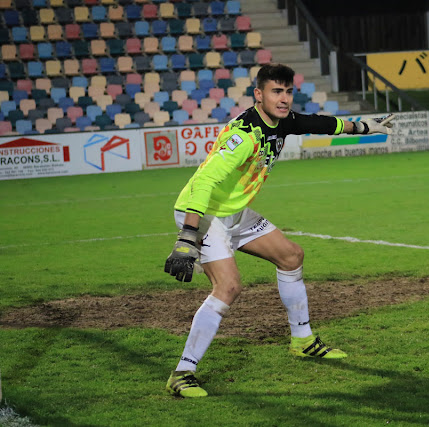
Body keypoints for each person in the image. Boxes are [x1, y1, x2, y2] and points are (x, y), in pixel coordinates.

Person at [163, 63, 395, 398]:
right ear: (259, 94)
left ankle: (303, 340)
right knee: (227, 287)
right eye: (276, 91)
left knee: (291, 256)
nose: (283, 99)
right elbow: (204, 181)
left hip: (234, 213)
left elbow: (317, 123)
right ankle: (183, 372)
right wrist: (188, 236)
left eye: (287, 91)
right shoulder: (244, 135)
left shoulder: (282, 120)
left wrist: (360, 125)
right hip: (203, 214)